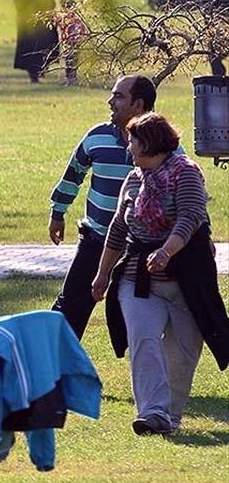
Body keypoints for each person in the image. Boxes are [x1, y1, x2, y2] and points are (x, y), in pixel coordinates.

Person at [91, 113, 228, 436]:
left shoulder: (187, 173)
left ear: (149, 143)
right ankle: (152, 414)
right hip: (138, 280)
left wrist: (166, 251)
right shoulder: (134, 179)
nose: (129, 147)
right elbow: (118, 228)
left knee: (182, 352)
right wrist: (102, 275)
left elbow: (191, 217)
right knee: (145, 340)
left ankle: (170, 416)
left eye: (133, 141)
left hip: (187, 281)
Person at [48, 75, 179, 341]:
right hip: (96, 239)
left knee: (145, 319)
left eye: (118, 96)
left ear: (138, 105)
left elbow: (187, 194)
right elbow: (74, 174)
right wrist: (58, 212)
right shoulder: (97, 137)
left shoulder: (167, 148)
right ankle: (51, 370)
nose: (110, 101)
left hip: (142, 248)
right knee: (70, 309)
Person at [13, 0, 59, 83]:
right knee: (32, 44)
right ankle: (35, 72)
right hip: (29, 16)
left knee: (45, 42)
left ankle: (40, 69)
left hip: (41, 14)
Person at [57, 0, 88, 86]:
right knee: (70, 60)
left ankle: (71, 78)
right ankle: (70, 78)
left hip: (73, 43)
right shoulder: (67, 18)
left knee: (72, 60)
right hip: (70, 43)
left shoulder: (73, 19)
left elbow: (82, 29)